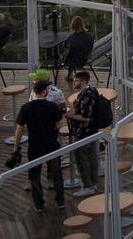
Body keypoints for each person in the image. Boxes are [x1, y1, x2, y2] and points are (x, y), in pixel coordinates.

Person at [17, 78, 66, 211]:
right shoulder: (51, 107)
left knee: (34, 175)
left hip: (34, 146)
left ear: (34, 92)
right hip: (51, 145)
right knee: (57, 173)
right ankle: (60, 201)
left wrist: (17, 146)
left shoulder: (26, 107)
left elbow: (20, 129)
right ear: (45, 92)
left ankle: (39, 204)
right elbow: (60, 124)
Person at [66, 69, 112, 193]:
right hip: (92, 132)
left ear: (83, 81)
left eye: (76, 80)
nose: (73, 82)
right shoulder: (93, 91)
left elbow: (85, 117)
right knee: (92, 158)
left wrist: (69, 116)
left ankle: (87, 185)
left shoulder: (86, 96)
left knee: (81, 159)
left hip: (83, 133)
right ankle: (93, 183)